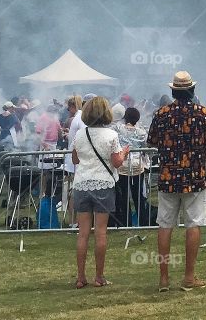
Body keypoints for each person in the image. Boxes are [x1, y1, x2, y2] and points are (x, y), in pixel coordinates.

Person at [146, 71, 206, 292]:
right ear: (192, 91)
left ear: (173, 91)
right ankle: (189, 277)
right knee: (194, 223)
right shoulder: (203, 114)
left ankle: (164, 279)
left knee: (165, 225)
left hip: (168, 176)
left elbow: (152, 142)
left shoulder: (161, 114)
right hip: (194, 177)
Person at [71, 96, 130, 288]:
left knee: (83, 233)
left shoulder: (80, 134)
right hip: (103, 185)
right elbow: (117, 163)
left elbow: (75, 159)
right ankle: (99, 276)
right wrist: (124, 153)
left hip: (81, 185)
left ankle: (80, 277)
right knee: (101, 232)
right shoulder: (111, 135)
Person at [112, 106, 149, 227]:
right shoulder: (142, 132)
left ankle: (125, 222)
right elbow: (145, 148)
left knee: (124, 196)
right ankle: (143, 222)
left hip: (122, 165)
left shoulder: (118, 129)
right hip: (137, 166)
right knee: (139, 196)